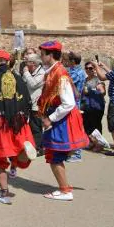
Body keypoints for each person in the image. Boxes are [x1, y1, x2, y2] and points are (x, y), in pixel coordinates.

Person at [0, 50, 37, 204]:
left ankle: (4, 192)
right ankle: (23, 152)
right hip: (18, 121)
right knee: (16, 150)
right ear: (7, 61)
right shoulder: (18, 78)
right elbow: (28, 101)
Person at [38, 41, 89, 201]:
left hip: (62, 120)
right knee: (56, 156)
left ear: (50, 55)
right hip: (59, 117)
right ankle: (64, 187)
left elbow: (69, 103)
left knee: (55, 157)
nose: (41, 56)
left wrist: (50, 119)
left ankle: (65, 190)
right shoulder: (53, 72)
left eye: (43, 53)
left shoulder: (60, 74)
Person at [21, 53, 45, 153]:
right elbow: (23, 83)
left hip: (37, 105)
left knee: (36, 126)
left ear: (33, 63)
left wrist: (26, 73)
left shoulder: (42, 73)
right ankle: (34, 145)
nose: (26, 65)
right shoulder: (31, 72)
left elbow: (33, 84)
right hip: (29, 103)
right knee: (31, 126)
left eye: (28, 62)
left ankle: (39, 148)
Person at [81, 61, 106, 151]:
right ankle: (91, 142)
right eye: (87, 68)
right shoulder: (85, 79)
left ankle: (99, 144)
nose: (88, 70)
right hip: (85, 105)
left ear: (94, 69)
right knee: (87, 125)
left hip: (96, 106)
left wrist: (91, 90)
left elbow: (102, 92)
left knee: (96, 125)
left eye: (90, 68)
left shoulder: (97, 79)